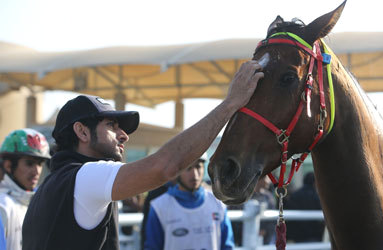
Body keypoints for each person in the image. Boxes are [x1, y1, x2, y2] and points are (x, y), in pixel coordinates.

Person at [22, 60, 263, 250]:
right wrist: (230, 104)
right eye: (111, 126)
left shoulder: (51, 184)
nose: (124, 135)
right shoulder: (85, 177)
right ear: (82, 132)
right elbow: (164, 167)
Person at [144, 154, 234, 250]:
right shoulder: (159, 207)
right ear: (177, 172)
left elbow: (227, 246)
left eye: (198, 166)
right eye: (188, 168)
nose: (194, 174)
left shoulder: (217, 203)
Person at [0, 129, 50, 250]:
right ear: (8, 165)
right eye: (29, 163)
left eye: (40, 163)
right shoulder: (3, 206)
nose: (37, 171)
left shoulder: (41, 203)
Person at [228, 175, 276, 246]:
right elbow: (234, 218)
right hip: (242, 240)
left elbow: (272, 219)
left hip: (263, 241)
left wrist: (265, 230)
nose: (269, 181)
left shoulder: (268, 197)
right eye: (266, 178)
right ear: (258, 179)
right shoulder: (241, 196)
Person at [285, 172, 325, 242]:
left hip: (297, 235)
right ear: (314, 182)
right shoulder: (316, 196)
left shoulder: (294, 195)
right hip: (314, 234)